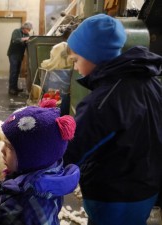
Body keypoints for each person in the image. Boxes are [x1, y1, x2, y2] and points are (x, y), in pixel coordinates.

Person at [63, 14, 162, 225]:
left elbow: (73, 148)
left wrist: (33, 170)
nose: (76, 67)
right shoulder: (150, 81)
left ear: (93, 56)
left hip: (115, 196)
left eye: (76, 60)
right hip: (148, 186)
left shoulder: (103, 101)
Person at [0, 106, 80, 224]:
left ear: (32, 157)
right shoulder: (47, 176)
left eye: (9, 147)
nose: (2, 150)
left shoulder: (21, 204)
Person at [7, 21, 32, 95]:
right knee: (13, 72)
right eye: (28, 29)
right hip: (13, 54)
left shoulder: (26, 34)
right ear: (24, 28)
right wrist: (24, 39)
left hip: (20, 55)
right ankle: (11, 89)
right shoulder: (16, 31)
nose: (29, 31)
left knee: (17, 72)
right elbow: (15, 40)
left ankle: (15, 88)